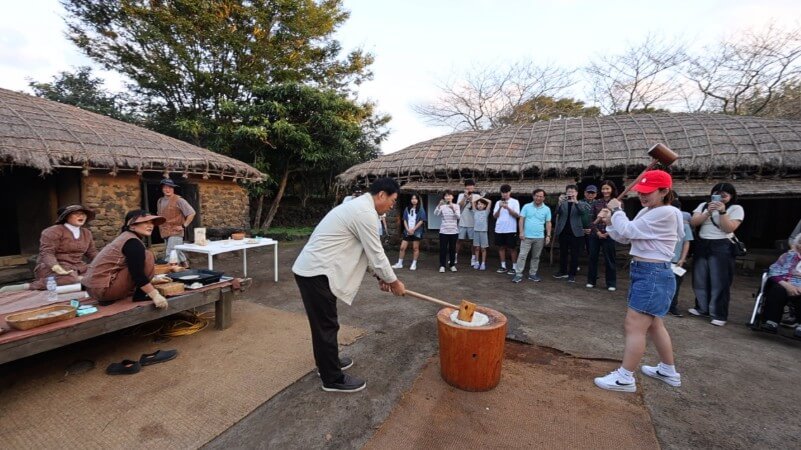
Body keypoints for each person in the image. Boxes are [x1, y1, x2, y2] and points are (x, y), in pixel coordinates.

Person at [293, 177, 404, 393]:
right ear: (381, 194)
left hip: (317, 272)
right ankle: (331, 378)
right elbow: (376, 254)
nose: (392, 206)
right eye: (392, 200)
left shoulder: (359, 208)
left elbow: (364, 252)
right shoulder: (364, 213)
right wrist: (394, 282)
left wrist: (380, 277)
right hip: (316, 273)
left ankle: (328, 363)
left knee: (325, 324)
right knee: (326, 325)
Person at [593, 170, 683, 393]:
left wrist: (615, 210)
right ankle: (668, 370)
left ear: (664, 191)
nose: (642, 196)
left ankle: (625, 377)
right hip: (646, 271)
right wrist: (611, 221)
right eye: (640, 192)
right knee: (653, 325)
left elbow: (628, 229)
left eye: (648, 192)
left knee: (633, 326)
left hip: (653, 273)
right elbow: (625, 236)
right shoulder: (648, 210)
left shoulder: (667, 212)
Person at [82, 210, 169, 308]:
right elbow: (137, 273)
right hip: (103, 290)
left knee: (143, 258)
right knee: (148, 256)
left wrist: (154, 280)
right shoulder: (132, 242)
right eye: (145, 222)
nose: (150, 226)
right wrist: (155, 295)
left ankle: (140, 292)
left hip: (94, 289)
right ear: (132, 226)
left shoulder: (126, 237)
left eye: (151, 222)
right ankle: (140, 296)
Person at [689, 183, 744, 326]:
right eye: (717, 194)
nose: (721, 198)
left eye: (724, 195)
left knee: (719, 281)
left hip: (722, 245)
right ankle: (702, 308)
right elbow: (694, 222)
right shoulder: (703, 205)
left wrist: (722, 212)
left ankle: (719, 314)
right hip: (703, 244)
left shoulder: (735, 208)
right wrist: (707, 212)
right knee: (700, 279)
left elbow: (729, 228)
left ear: (731, 196)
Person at [27, 205, 98, 290]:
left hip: (78, 267)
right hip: (53, 268)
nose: (81, 216)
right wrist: (56, 267)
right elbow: (47, 252)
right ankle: (35, 285)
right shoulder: (52, 231)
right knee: (70, 279)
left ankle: (80, 279)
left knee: (101, 274)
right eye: (76, 213)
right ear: (66, 216)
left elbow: (92, 252)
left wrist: (104, 262)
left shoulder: (87, 233)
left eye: (83, 214)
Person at [758, 233, 801, 338]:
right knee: (777, 289)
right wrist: (787, 285)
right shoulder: (787, 256)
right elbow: (773, 271)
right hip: (785, 283)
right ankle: (772, 322)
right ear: (798, 245)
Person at [513, 189, 552, 283]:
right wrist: (521, 232)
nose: (538, 198)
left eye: (541, 196)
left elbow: (548, 223)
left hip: (539, 237)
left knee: (536, 256)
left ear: (544, 198)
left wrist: (548, 235)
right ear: (533, 196)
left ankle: (532, 274)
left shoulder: (547, 209)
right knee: (522, 255)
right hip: (526, 236)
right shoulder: (526, 206)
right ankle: (518, 274)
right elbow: (521, 219)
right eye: (537, 195)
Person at [554, 184, 590, 282]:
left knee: (575, 254)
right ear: (566, 193)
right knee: (563, 253)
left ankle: (572, 274)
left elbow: (582, 212)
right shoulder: (563, 203)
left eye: (572, 191)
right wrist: (559, 203)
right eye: (568, 192)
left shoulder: (581, 203)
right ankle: (563, 271)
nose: (570, 193)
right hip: (563, 232)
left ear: (576, 193)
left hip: (576, 233)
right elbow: (556, 212)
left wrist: (576, 202)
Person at [157, 179, 196, 268]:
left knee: (171, 252)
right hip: (165, 231)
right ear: (162, 189)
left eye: (170, 187)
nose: (168, 190)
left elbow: (192, 213)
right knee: (177, 250)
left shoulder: (179, 200)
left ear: (173, 189)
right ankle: (185, 265)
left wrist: (183, 225)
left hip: (176, 231)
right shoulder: (160, 201)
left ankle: (168, 272)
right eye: (165, 187)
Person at [587, 181, 618, 291]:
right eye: (603, 189)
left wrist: (608, 232)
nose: (605, 191)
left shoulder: (617, 203)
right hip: (596, 235)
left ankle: (611, 283)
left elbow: (619, 220)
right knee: (592, 258)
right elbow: (591, 220)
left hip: (610, 235)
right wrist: (598, 232)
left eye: (607, 189)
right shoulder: (596, 203)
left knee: (610, 259)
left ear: (612, 189)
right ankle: (591, 281)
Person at [669, 199, 694, 317]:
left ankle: (672, 306)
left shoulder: (684, 225)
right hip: (662, 260)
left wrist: (683, 259)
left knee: (675, 285)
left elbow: (686, 242)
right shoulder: (663, 222)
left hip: (676, 261)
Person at [392, 194, 427, 271]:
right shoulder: (407, 208)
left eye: (415, 199)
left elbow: (422, 220)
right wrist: (407, 229)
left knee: (415, 248)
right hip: (407, 230)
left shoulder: (421, 209)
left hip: (416, 231)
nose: (414, 200)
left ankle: (414, 264)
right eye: (412, 198)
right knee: (402, 248)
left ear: (418, 200)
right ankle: (399, 263)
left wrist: (413, 229)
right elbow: (404, 219)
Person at [493, 184, 520, 274]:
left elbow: (517, 215)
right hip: (499, 229)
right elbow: (495, 216)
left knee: (512, 248)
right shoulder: (498, 203)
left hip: (511, 229)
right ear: (501, 193)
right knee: (501, 247)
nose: (505, 194)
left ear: (510, 192)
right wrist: (500, 207)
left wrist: (507, 207)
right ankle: (503, 266)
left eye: (506, 192)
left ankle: (514, 267)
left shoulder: (515, 202)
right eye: (503, 193)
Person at [435, 190, 461, 273]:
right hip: (443, 231)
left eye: (449, 195)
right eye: (446, 196)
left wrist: (452, 208)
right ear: (444, 197)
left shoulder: (456, 206)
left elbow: (458, 217)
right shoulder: (442, 206)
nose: (448, 197)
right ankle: (442, 265)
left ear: (452, 197)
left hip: (453, 231)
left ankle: (452, 265)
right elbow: (436, 214)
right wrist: (439, 204)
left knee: (452, 249)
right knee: (443, 249)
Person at [456, 179, 480, 267]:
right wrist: (465, 198)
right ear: (465, 187)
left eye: (471, 185)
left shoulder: (477, 196)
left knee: (473, 242)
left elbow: (478, 209)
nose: (469, 187)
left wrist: (471, 200)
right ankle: (455, 257)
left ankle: (473, 258)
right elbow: (458, 207)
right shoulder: (461, 195)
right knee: (459, 240)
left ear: (474, 187)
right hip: (462, 221)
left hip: (473, 223)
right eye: (468, 185)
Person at [472, 197, 492, 271]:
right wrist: (478, 199)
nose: (480, 205)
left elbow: (489, 201)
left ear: (484, 206)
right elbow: (473, 202)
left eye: (482, 204)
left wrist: (482, 197)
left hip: (483, 231)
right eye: (478, 204)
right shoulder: (475, 211)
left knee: (483, 248)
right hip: (476, 231)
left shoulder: (486, 212)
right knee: (477, 248)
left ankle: (483, 263)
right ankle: (477, 262)